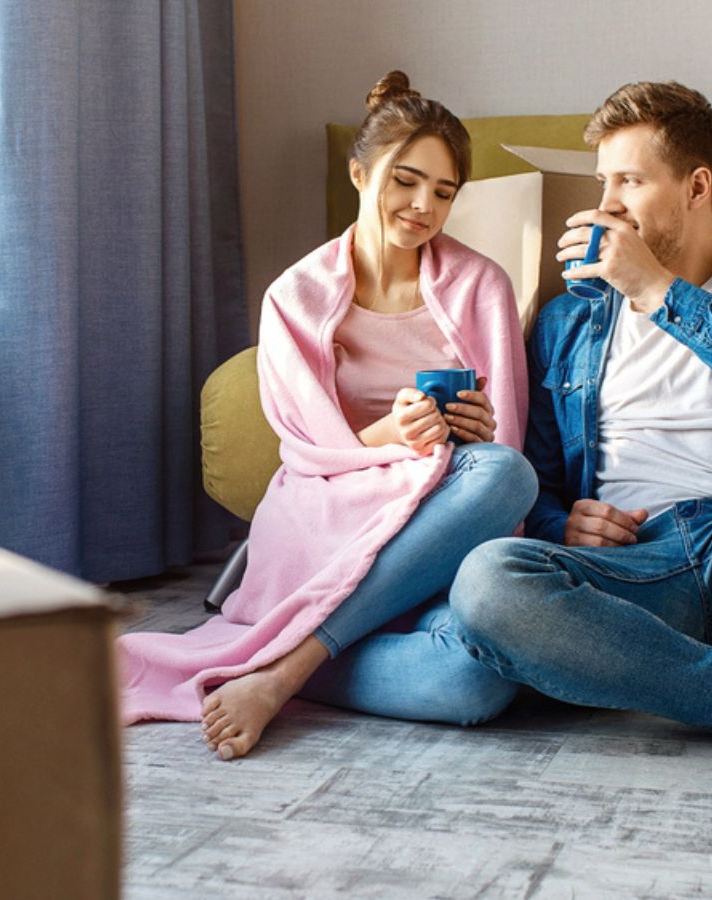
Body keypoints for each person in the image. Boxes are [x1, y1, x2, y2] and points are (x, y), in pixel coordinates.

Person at [447, 81, 712, 822]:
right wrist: (561, 520)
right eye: (603, 182)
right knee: (486, 582)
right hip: (639, 566)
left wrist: (660, 291)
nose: (610, 202)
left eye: (630, 181)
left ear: (696, 187)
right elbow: (536, 481)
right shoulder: (568, 323)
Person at [119, 72, 536, 760]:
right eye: (405, 181)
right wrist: (392, 436)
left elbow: (506, 439)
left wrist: (473, 433)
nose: (422, 205)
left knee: (476, 677)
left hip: (438, 512)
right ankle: (289, 670)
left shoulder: (482, 284)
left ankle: (281, 663)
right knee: (498, 501)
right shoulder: (296, 295)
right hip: (327, 510)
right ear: (359, 173)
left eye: (443, 191)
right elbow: (311, 449)